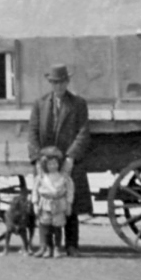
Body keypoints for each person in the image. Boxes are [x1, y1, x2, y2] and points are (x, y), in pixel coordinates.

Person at [26, 64, 91, 256]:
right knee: (44, 201)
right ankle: (45, 245)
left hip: (67, 159)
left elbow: (83, 132)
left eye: (62, 82)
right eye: (55, 83)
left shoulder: (78, 104)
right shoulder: (40, 103)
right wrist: (38, 159)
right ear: (50, 84)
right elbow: (32, 132)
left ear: (67, 82)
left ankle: (71, 245)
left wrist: (71, 157)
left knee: (70, 202)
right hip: (47, 162)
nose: (59, 86)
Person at [31, 147, 72, 259]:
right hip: (45, 203)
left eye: (55, 164)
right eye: (50, 164)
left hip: (59, 203)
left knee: (57, 227)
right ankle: (48, 248)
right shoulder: (41, 178)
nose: (53, 166)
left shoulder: (64, 177)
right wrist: (35, 203)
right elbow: (35, 190)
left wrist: (69, 204)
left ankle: (57, 248)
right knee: (46, 226)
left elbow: (69, 190)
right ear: (45, 165)